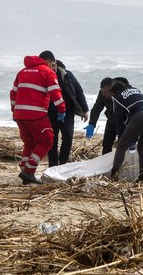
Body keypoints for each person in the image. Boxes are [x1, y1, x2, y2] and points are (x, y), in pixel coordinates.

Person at [10, 55, 66, 185]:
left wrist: (14, 110)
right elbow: (55, 92)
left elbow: (13, 93)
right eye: (52, 64)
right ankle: (29, 171)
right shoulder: (47, 72)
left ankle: (24, 169)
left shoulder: (22, 72)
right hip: (36, 114)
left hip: (20, 114)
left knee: (29, 143)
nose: (54, 67)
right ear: (48, 62)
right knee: (47, 140)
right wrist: (62, 110)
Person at [39, 51, 89, 166]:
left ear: (54, 62)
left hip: (67, 111)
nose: (51, 68)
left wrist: (85, 110)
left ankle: (63, 164)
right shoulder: (42, 76)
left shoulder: (67, 75)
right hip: (49, 113)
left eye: (51, 64)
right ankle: (52, 166)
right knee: (52, 141)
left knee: (68, 137)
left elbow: (78, 90)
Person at [109, 79, 143, 182]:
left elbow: (119, 120)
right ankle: (142, 176)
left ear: (114, 92)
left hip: (140, 116)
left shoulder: (117, 97)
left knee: (121, 147)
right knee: (142, 147)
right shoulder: (135, 90)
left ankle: (114, 176)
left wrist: (120, 137)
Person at [85, 77, 129, 154]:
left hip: (124, 122)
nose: (103, 94)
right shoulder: (102, 93)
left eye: (105, 92)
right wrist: (91, 124)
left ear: (111, 89)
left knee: (123, 144)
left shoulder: (123, 92)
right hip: (111, 120)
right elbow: (97, 108)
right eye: (102, 92)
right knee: (106, 144)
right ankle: (105, 163)